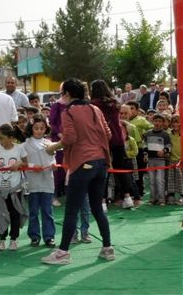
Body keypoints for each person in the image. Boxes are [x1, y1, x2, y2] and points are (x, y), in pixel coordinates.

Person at [42, 78, 114, 265]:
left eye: (61, 93)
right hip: (101, 162)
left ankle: (63, 253)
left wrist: (52, 147)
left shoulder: (69, 111)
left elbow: (70, 138)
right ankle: (107, 248)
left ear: (67, 94)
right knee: (97, 208)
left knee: (72, 210)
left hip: (82, 163)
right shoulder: (95, 109)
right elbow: (108, 134)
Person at [90, 80, 133, 208]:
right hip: (118, 139)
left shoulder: (93, 105)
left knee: (103, 171)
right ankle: (127, 197)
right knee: (121, 169)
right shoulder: (115, 103)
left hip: (103, 140)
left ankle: (102, 202)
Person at [0, 124, 28, 251]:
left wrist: (19, 163)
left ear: (11, 137)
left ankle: (13, 238)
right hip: (1, 187)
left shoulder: (19, 148)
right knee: (1, 214)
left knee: (15, 213)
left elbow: (26, 163)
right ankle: (1, 238)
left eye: (1, 138)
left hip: (15, 188)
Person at [23, 114, 56, 248]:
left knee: (47, 211)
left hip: (47, 180)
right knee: (33, 211)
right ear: (31, 128)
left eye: (42, 128)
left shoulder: (49, 143)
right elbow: (23, 163)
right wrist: (32, 166)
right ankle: (34, 236)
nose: (39, 131)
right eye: (36, 128)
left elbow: (53, 159)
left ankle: (49, 237)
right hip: (32, 182)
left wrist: (54, 164)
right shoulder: (25, 144)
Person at [143, 113, 172, 205]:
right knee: (152, 180)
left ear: (163, 123)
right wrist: (145, 154)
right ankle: (152, 199)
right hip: (151, 161)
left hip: (161, 161)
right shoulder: (148, 133)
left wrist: (164, 151)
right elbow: (144, 146)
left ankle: (161, 199)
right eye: (156, 121)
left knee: (160, 180)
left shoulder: (165, 134)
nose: (157, 123)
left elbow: (169, 146)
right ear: (152, 121)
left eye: (160, 121)